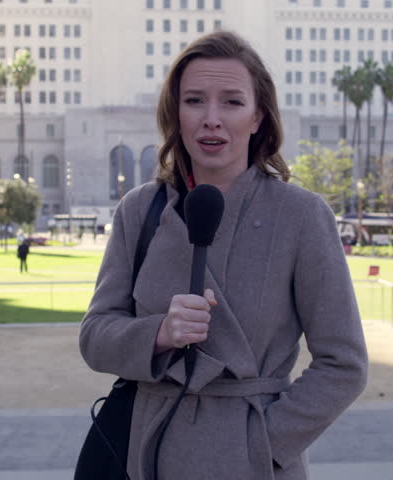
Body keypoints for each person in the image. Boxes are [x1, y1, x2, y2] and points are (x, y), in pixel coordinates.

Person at [80, 31, 367, 480]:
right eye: (195, 100)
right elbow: (95, 337)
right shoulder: (140, 209)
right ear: (176, 113)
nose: (212, 119)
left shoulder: (302, 216)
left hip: (256, 464)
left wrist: (261, 445)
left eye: (232, 102)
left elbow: (344, 364)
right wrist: (160, 333)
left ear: (258, 117)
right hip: (151, 458)